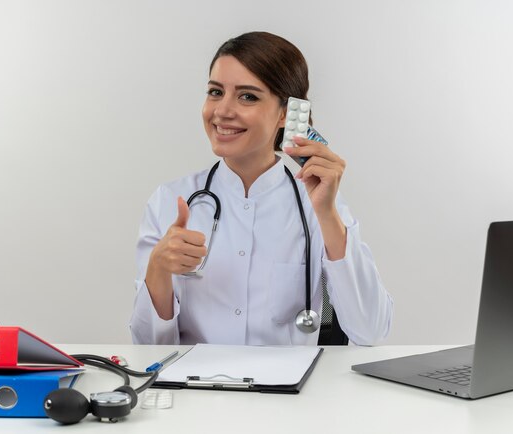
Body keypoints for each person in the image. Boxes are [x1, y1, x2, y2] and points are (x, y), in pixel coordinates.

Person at [129, 31, 393, 345]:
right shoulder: (169, 202)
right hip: (195, 390)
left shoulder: (319, 204)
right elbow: (146, 350)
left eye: (248, 96)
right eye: (215, 92)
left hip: (289, 392)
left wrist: (327, 216)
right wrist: (158, 269)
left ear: (286, 113)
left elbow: (371, 332)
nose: (223, 111)